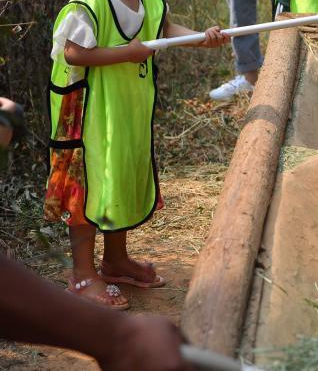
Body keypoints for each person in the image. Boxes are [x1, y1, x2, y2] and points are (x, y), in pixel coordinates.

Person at [46, 0, 229, 311]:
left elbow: (164, 29)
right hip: (92, 115)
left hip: (127, 110)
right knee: (92, 185)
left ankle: (115, 260)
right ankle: (82, 274)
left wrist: (202, 39)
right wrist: (128, 53)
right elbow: (73, 52)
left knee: (123, 175)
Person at [1, 97, 191, 370]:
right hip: (85, 94)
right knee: (86, 175)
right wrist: (118, 337)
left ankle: (116, 260)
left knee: (116, 170)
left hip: (121, 95)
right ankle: (83, 275)